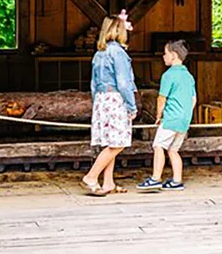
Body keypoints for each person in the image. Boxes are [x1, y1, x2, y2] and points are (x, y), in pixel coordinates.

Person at [80, 14, 137, 196]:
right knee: (118, 143)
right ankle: (91, 176)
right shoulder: (118, 53)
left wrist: (96, 102)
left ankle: (108, 183)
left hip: (101, 99)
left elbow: (93, 84)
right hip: (115, 98)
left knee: (110, 142)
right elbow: (123, 82)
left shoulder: (99, 53)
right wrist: (131, 105)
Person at [137, 40, 196, 192]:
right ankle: (177, 181)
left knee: (158, 146)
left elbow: (161, 98)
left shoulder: (168, 75)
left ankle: (155, 178)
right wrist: (187, 114)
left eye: (166, 53)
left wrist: (158, 116)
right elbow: (193, 99)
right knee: (173, 150)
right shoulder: (189, 76)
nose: (163, 56)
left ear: (174, 55)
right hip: (184, 119)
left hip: (171, 118)